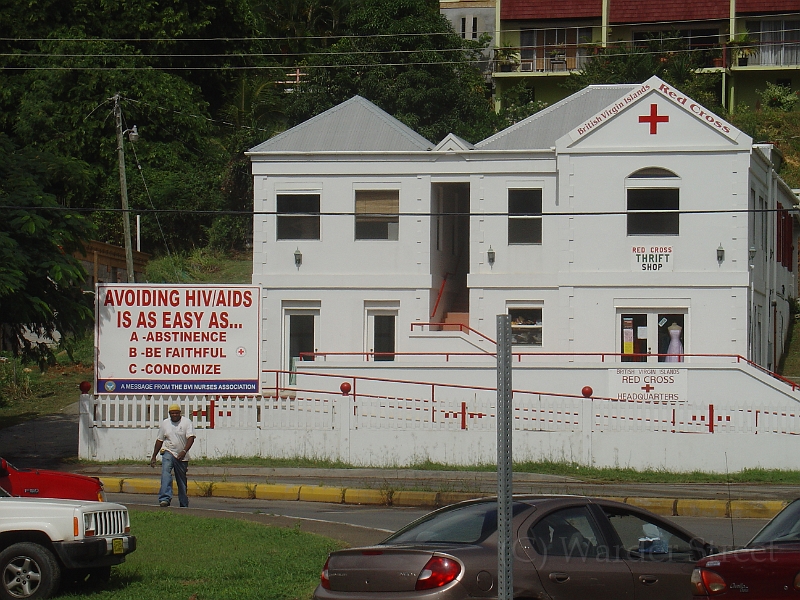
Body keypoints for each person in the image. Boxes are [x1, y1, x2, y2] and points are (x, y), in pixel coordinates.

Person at [149, 404, 195, 507]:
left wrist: (184, 451)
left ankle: (183, 502)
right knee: (166, 473)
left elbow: (191, 438)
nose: (174, 415)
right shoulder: (165, 423)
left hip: (182, 456)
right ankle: (165, 498)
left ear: (180, 413)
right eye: (172, 413)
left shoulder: (186, 422)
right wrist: (154, 456)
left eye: (176, 413)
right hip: (168, 451)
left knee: (181, 480)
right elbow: (159, 440)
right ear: (169, 414)